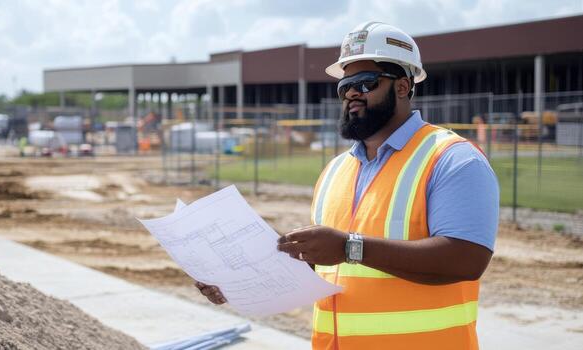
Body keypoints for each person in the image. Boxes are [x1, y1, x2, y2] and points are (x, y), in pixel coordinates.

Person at [195, 21, 499, 350]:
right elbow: (321, 259)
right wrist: (241, 282)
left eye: (365, 83)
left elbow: (467, 258)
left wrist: (350, 248)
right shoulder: (335, 171)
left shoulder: (452, 159)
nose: (351, 93)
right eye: (344, 86)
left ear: (402, 87)